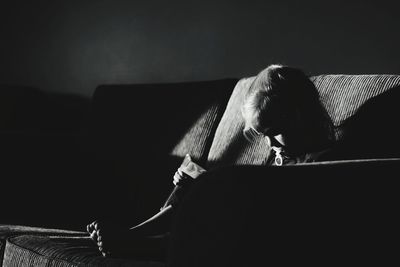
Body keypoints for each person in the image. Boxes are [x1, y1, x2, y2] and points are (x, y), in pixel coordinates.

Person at [86, 64, 337, 259]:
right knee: (190, 185)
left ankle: (143, 246)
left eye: (275, 132)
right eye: (264, 136)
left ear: (299, 118)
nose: (271, 145)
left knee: (217, 236)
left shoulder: (321, 160)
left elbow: (280, 208)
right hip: (236, 216)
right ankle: (134, 235)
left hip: (257, 234)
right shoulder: (281, 154)